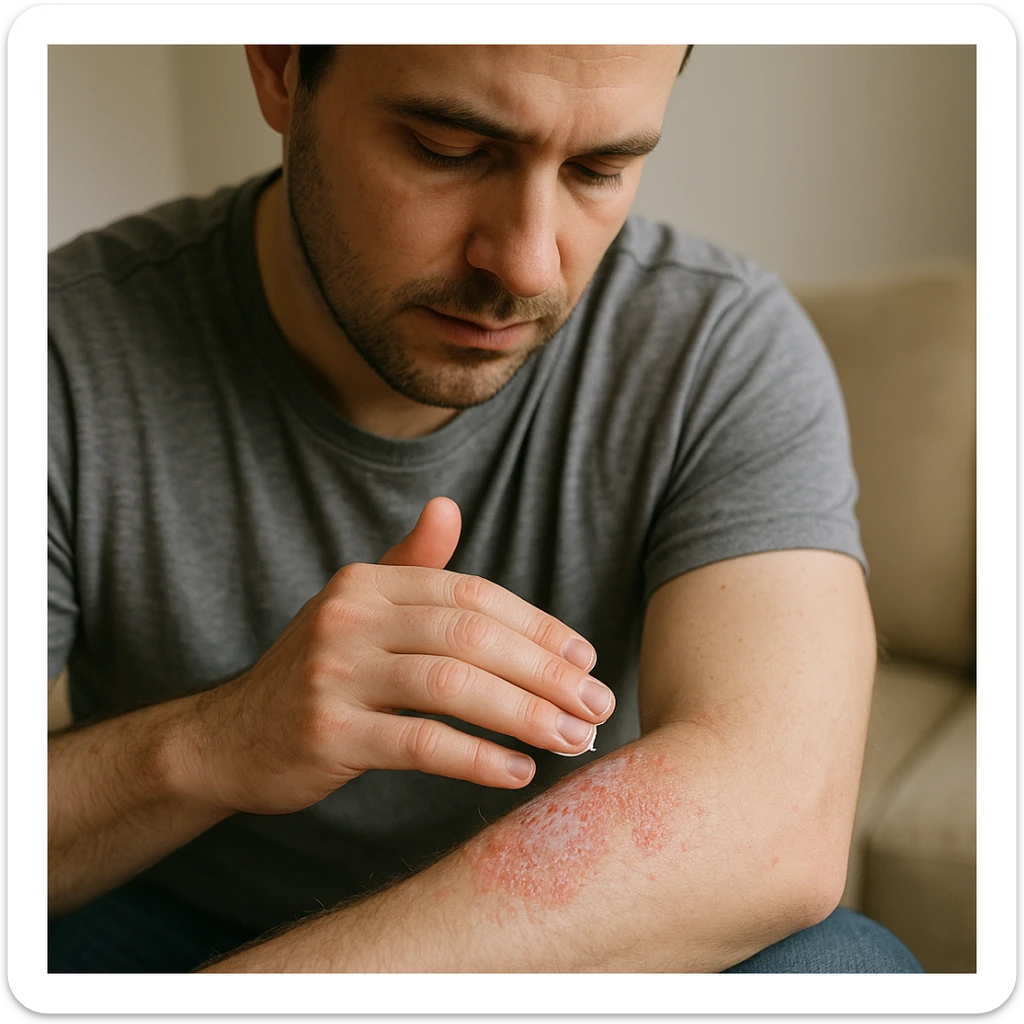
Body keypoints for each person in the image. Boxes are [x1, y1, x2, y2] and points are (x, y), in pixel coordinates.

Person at [47, 44, 923, 973]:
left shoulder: (717, 348)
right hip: (144, 926)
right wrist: (217, 741)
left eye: (599, 170)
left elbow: (774, 820)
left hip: (535, 937)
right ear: (279, 69)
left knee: (844, 970)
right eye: (447, 148)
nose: (525, 263)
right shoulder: (57, 354)